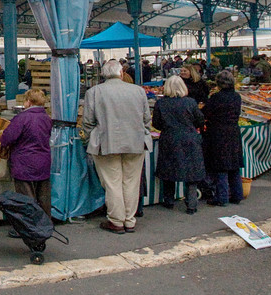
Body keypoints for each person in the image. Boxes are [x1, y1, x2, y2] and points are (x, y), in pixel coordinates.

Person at [83, 59, 151, 234]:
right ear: (121, 73)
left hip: (106, 142)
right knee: (131, 182)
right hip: (136, 142)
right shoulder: (138, 91)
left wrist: (91, 139)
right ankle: (129, 220)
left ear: (103, 74)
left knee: (112, 183)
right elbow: (146, 119)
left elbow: (88, 122)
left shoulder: (94, 92)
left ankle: (116, 220)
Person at [152, 74, 206, 214]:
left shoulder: (161, 104)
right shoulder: (190, 102)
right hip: (189, 139)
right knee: (191, 172)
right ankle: (191, 204)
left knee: (169, 169)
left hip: (169, 139)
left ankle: (168, 201)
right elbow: (200, 120)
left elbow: (156, 123)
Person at [0, 88, 53, 217]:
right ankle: (45, 225)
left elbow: (6, 139)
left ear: (29, 101)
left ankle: (29, 227)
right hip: (43, 161)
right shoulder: (47, 118)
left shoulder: (22, 118)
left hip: (24, 163)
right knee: (43, 197)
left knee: (26, 199)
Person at [203, 71, 244, 206]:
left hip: (218, 133)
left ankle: (222, 197)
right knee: (234, 165)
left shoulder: (216, 98)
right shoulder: (236, 97)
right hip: (233, 131)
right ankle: (237, 194)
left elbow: (206, 113)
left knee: (220, 165)